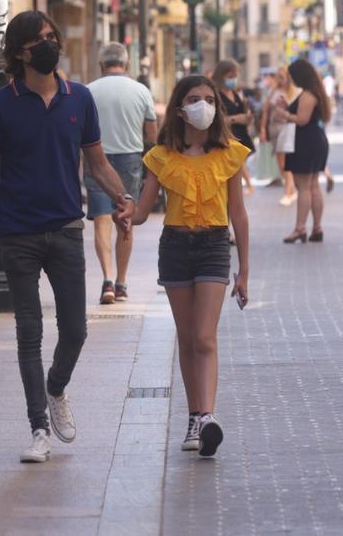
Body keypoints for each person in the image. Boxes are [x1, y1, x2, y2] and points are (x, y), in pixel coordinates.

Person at [0, 11, 136, 463]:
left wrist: (124, 199)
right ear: (20, 51)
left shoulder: (79, 98)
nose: (49, 44)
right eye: (39, 39)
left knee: (75, 330)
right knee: (29, 331)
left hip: (65, 227)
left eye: (52, 36)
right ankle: (38, 427)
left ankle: (56, 388)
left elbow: (97, 163)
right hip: (17, 231)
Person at [133, 75, 250, 458]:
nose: (204, 105)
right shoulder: (161, 156)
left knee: (204, 337)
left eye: (209, 99)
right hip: (176, 246)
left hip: (215, 244)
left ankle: (207, 416)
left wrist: (244, 271)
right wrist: (125, 213)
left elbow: (239, 214)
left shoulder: (229, 152)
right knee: (186, 339)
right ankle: (194, 417)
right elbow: (142, 210)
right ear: (180, 108)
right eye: (195, 98)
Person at [84, 42, 156, 304]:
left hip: (96, 158)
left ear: (101, 65)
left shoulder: (88, 91)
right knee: (125, 219)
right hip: (130, 159)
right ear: (126, 64)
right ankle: (123, 282)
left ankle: (107, 280)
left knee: (102, 220)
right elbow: (151, 135)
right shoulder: (141, 91)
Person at [275, 59, 332, 242]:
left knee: (304, 186)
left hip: (306, 141)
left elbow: (302, 119)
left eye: (293, 76)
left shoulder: (308, 94)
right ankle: (317, 227)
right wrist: (288, 106)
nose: (292, 80)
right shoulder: (317, 92)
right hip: (315, 139)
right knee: (313, 184)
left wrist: (283, 113)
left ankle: (300, 228)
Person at [211, 60, 256, 195]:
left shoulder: (237, 93)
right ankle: (247, 185)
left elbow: (243, 111)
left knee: (239, 163)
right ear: (221, 75)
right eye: (230, 76)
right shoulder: (216, 95)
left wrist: (247, 117)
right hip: (228, 136)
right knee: (237, 163)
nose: (234, 79)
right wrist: (237, 119)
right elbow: (215, 120)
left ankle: (243, 187)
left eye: (235, 76)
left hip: (240, 133)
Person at [261, 68, 298, 205]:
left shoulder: (293, 92)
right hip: (273, 128)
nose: (281, 80)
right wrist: (263, 129)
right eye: (279, 77)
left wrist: (286, 104)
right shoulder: (273, 91)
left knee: (285, 162)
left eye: (283, 77)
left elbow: (296, 111)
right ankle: (291, 190)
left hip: (286, 128)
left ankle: (287, 192)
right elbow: (266, 111)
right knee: (280, 163)